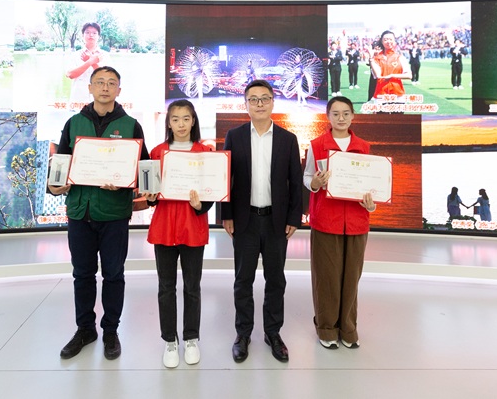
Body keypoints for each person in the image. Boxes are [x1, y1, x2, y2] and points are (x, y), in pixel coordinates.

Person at [49, 66, 150, 361]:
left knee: (113, 275)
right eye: (100, 82)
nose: (105, 87)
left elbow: (143, 168)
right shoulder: (74, 122)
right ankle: (85, 329)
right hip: (80, 212)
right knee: (82, 274)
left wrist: (126, 182)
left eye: (111, 83)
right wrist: (55, 186)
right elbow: (61, 161)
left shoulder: (131, 125)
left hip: (114, 213)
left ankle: (110, 331)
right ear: (90, 87)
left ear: (119, 90)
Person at [221, 79, 303, 364]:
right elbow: (226, 178)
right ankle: (243, 334)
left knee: (275, 279)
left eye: (264, 98)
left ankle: (273, 333)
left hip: (275, 222)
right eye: (253, 99)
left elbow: (296, 182)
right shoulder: (234, 136)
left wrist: (294, 217)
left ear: (272, 102)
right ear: (245, 104)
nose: (259, 104)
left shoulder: (287, 139)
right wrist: (226, 214)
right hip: (244, 221)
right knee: (243, 280)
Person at [145, 99, 213, 368]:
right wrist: (150, 196)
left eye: (186, 118)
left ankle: (191, 338)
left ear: (193, 121)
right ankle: (170, 340)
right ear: (169, 123)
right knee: (166, 287)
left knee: (192, 286)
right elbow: (150, 193)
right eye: (175, 119)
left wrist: (200, 205)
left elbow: (212, 193)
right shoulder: (157, 152)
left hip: (192, 226)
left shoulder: (205, 153)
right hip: (164, 227)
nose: (181, 124)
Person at [303, 96, 376, 350]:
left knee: (352, 277)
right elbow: (307, 177)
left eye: (346, 113)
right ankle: (326, 329)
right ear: (328, 117)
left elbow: (372, 185)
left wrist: (372, 204)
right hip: (326, 220)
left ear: (353, 116)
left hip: (357, 221)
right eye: (335, 113)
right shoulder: (316, 145)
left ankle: (348, 329)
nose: (341, 118)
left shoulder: (364, 147)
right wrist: (315, 183)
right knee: (327, 278)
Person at [66, 22, 109, 105]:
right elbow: (70, 74)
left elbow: (107, 77)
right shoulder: (75, 55)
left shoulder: (105, 55)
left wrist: (92, 63)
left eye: (94, 33)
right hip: (78, 102)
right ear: (83, 35)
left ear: (99, 36)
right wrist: (89, 61)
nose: (91, 35)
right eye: (87, 32)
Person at [371, 30, 412, 99]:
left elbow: (409, 75)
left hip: (398, 95)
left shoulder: (400, 57)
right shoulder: (377, 58)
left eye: (390, 39)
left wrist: (392, 76)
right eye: (385, 40)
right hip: (381, 95)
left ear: (394, 41)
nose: (388, 41)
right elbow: (377, 75)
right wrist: (371, 58)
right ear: (382, 42)